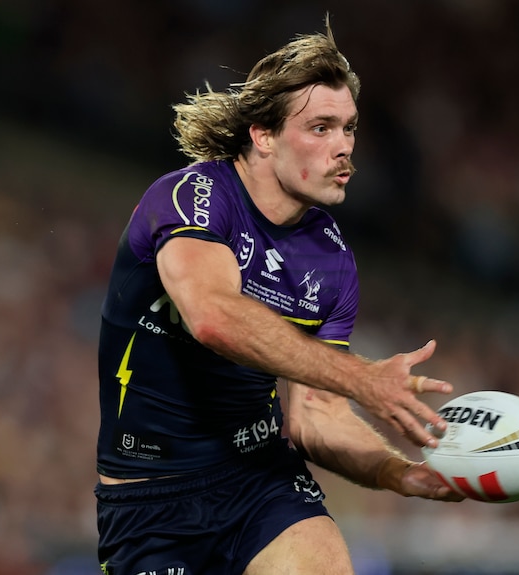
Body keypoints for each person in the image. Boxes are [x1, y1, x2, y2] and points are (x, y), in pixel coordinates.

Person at [94, 17, 464, 575]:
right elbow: (213, 317)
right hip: (152, 500)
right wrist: (364, 378)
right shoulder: (192, 197)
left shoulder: (331, 259)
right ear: (263, 136)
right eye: (320, 128)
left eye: (349, 128)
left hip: (259, 480)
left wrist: (397, 472)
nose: (344, 148)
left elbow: (313, 419)